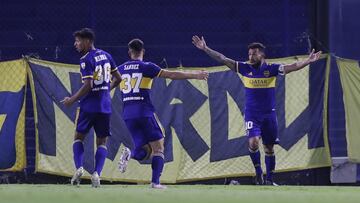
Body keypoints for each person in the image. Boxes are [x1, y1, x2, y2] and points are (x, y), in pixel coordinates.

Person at [192, 35, 321, 185]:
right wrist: (205, 48)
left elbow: (292, 67)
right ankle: (258, 171)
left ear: (262, 55)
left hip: (269, 115)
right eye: (249, 54)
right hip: (252, 115)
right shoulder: (245, 68)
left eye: (254, 54)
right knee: (253, 142)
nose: (251, 57)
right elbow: (223, 58)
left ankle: (270, 180)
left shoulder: (271, 69)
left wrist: (308, 61)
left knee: (269, 148)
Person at [117, 38, 209, 189]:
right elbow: (172, 75)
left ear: (129, 52)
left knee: (144, 150)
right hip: (144, 111)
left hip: (128, 114)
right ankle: (155, 182)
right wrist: (195, 74)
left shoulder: (120, 69)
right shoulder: (147, 67)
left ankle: (130, 153)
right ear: (143, 51)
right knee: (158, 148)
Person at [61, 28, 121, 187]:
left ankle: (79, 167)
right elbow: (119, 78)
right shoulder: (107, 56)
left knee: (78, 138)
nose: (76, 44)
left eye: (78, 41)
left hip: (89, 106)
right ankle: (97, 174)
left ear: (87, 41)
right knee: (101, 142)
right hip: (105, 107)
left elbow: (88, 85)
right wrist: (107, 90)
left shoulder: (85, 59)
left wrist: (72, 99)